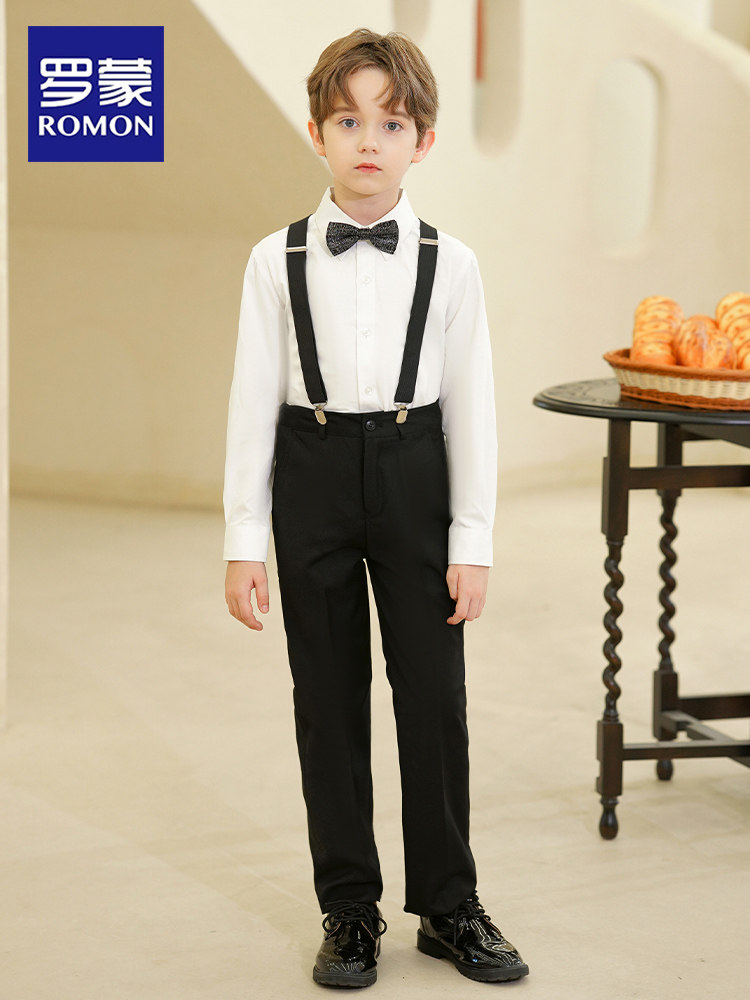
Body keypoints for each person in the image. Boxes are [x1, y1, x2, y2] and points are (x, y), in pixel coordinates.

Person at [223, 27, 529, 988]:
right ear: (316, 132)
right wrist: (243, 539)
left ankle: (448, 903)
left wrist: (472, 539)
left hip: (413, 468)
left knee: (433, 696)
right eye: (349, 121)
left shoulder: (452, 262)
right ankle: (349, 909)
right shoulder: (274, 259)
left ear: (422, 141)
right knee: (327, 699)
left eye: (391, 124)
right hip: (310, 471)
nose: (369, 141)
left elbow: (472, 405)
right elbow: (250, 400)